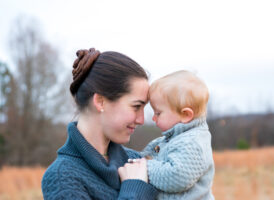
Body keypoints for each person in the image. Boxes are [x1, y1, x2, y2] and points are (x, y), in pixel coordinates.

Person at [42, 48, 158, 200]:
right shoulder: (61, 177)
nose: (141, 120)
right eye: (136, 106)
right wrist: (134, 188)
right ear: (100, 101)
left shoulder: (135, 161)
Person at [141, 70, 215, 200]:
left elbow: (176, 177)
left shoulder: (193, 142)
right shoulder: (174, 139)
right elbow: (148, 154)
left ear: (186, 115)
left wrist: (143, 166)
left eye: (158, 113)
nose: (153, 118)